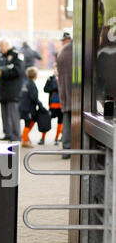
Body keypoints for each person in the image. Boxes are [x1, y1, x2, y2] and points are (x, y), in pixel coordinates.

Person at [0, 38, 25, 141]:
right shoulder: (1, 56)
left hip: (13, 90)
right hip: (3, 90)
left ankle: (16, 135)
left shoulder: (17, 55)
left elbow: (19, 71)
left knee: (13, 114)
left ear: (7, 45)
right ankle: (7, 134)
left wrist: (3, 73)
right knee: (4, 114)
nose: (0, 48)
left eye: (1, 46)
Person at [56, 31, 72, 159]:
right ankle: (69, 149)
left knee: (67, 120)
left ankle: (66, 149)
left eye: (63, 40)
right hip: (76, 94)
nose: (62, 42)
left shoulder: (61, 52)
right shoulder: (75, 50)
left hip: (65, 93)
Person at [38, 63, 63, 145]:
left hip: (61, 105)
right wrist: (53, 88)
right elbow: (45, 89)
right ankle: (43, 138)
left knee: (60, 123)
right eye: (55, 69)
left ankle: (56, 138)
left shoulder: (64, 79)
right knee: (47, 121)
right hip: (52, 105)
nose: (56, 71)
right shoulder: (50, 78)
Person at [19, 66, 44, 148]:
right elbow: (34, 97)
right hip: (28, 108)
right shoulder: (31, 84)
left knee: (31, 121)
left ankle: (25, 137)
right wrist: (40, 105)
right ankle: (24, 140)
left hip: (24, 107)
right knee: (28, 123)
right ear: (35, 75)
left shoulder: (26, 83)